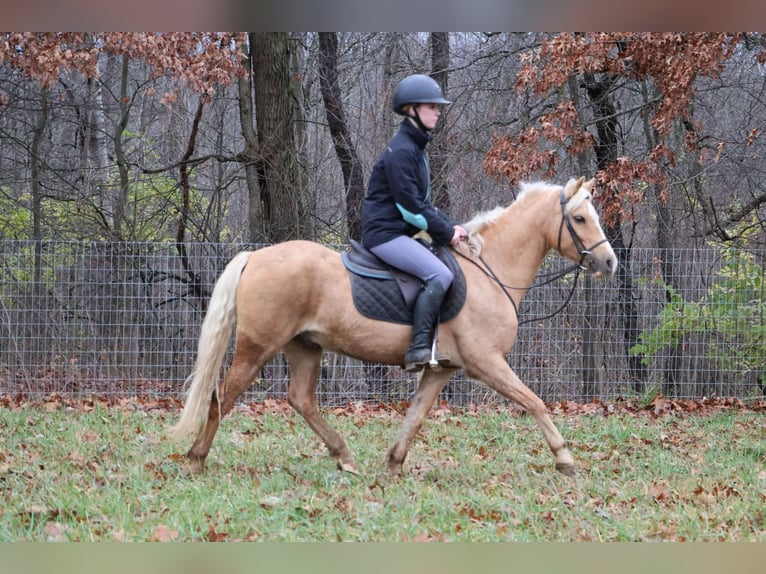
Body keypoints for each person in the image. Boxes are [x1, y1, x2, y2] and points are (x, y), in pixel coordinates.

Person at [361, 74, 468, 372]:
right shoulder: (403, 151)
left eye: (438, 107)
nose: (438, 111)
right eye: (432, 106)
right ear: (411, 109)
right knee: (440, 275)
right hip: (385, 235)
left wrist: (451, 225)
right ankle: (419, 347)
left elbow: (422, 204)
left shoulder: (412, 148)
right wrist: (446, 232)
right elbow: (410, 210)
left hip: (398, 232)